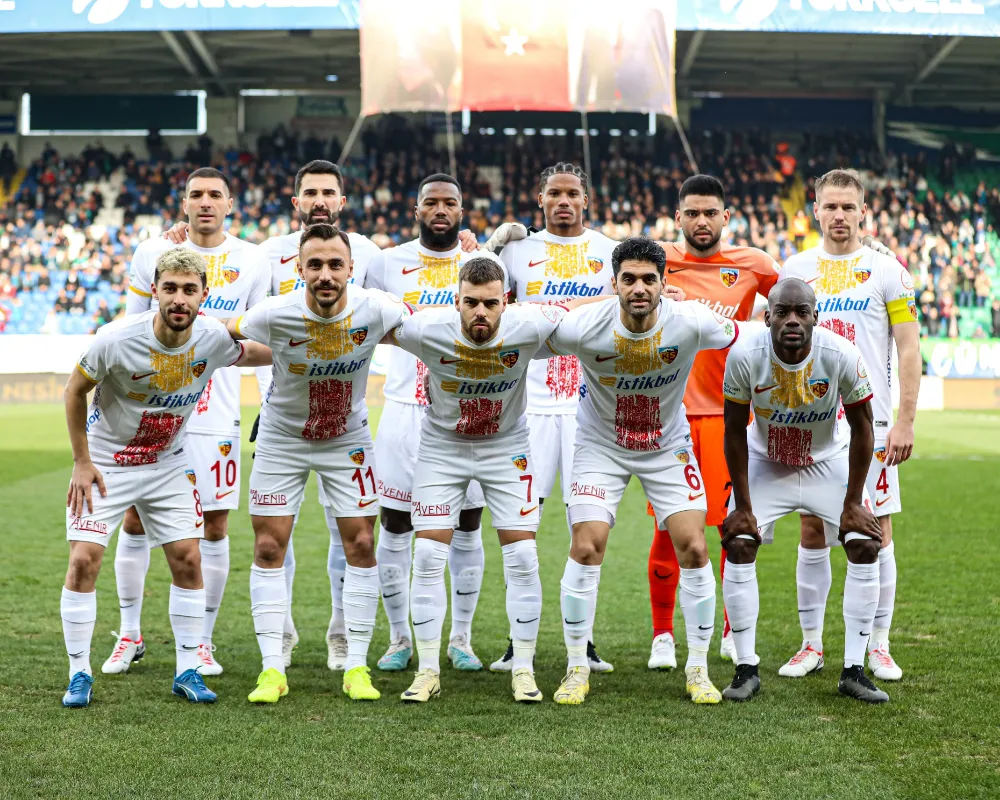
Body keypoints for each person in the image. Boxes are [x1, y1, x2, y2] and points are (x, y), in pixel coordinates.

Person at [386, 257, 604, 704]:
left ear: (506, 301)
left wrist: (622, 296)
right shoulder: (426, 328)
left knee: (522, 555)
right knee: (426, 554)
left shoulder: (528, 322)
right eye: (471, 303)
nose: (480, 312)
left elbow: (577, 309)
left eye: (489, 303)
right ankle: (427, 671)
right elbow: (375, 322)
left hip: (507, 447)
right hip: (442, 448)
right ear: (456, 301)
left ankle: (523, 669)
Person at [60, 248, 271, 708]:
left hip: (167, 464)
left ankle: (187, 669)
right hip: (107, 463)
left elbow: (255, 352)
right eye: (170, 288)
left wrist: (308, 347)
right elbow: (75, 391)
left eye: (189, 290)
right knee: (83, 562)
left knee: (188, 559)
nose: (179, 299)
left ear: (204, 295)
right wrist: (81, 461)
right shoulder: (115, 338)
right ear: (154, 290)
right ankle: (79, 673)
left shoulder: (212, 337)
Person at [545, 236, 739, 706]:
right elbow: (524, 336)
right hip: (600, 446)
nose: (639, 288)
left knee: (694, 546)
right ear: (613, 283)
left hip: (666, 446)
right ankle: (576, 667)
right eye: (628, 279)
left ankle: (697, 669)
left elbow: (748, 335)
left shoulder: (690, 320)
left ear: (663, 282)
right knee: (586, 545)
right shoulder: (583, 326)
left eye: (649, 279)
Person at [227, 223, 413, 704]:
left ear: (351, 268)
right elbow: (225, 335)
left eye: (335, 265)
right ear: (299, 269)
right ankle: (272, 670)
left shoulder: (376, 307)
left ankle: (356, 667)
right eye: (315, 265)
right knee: (269, 546)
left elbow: (424, 329)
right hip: (282, 438)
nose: (325, 274)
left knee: (362, 543)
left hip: (347, 439)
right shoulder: (274, 312)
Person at [107, 167, 269, 678]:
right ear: (183, 203)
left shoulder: (253, 259)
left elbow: (261, 337)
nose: (205, 202)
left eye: (215, 195)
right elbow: (129, 327)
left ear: (230, 204)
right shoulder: (151, 252)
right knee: (135, 520)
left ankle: (201, 642)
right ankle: (129, 634)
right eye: (196, 194)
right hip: (153, 411)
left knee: (214, 525)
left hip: (216, 413)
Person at [720, 277, 888, 704]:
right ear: (768, 318)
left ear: (816, 317)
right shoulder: (744, 354)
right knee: (739, 542)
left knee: (866, 543)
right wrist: (743, 506)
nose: (792, 320)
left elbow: (864, 428)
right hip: (766, 461)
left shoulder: (841, 354)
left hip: (826, 461)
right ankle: (745, 668)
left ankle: (854, 670)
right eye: (782, 312)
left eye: (801, 312)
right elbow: (734, 431)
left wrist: (853, 502)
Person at [780, 169, 919, 682]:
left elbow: (909, 348)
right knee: (811, 527)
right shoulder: (796, 269)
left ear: (864, 212)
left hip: (872, 424)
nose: (839, 215)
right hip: (812, 422)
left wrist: (905, 421)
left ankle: (878, 644)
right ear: (815, 211)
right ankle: (811, 644)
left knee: (877, 529)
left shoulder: (887, 271)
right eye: (830, 206)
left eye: (848, 207)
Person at [365, 174, 506, 672]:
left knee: (467, 524)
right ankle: (399, 638)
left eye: (450, 202)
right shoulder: (387, 262)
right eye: (431, 202)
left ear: (462, 211)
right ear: (417, 209)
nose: (440, 210)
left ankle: (461, 639)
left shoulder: (479, 263)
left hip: (465, 408)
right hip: (403, 409)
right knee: (395, 523)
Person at [644, 175, 780, 670]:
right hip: (670, 419)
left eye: (710, 213)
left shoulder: (754, 264)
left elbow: (799, 297)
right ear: (678, 217)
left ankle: (729, 630)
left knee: (732, 527)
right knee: (668, 528)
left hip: (729, 420)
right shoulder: (656, 261)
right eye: (692, 213)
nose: (701, 222)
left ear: (726, 217)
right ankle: (663, 635)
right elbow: (599, 280)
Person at [490, 162, 620, 674]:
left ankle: (583, 642)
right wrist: (491, 248)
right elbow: (484, 304)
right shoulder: (518, 251)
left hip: (591, 406)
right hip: (531, 406)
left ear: (586, 199)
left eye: (572, 193)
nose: (563, 201)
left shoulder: (609, 251)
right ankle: (516, 639)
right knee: (521, 523)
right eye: (554, 193)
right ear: (539, 198)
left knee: (585, 526)